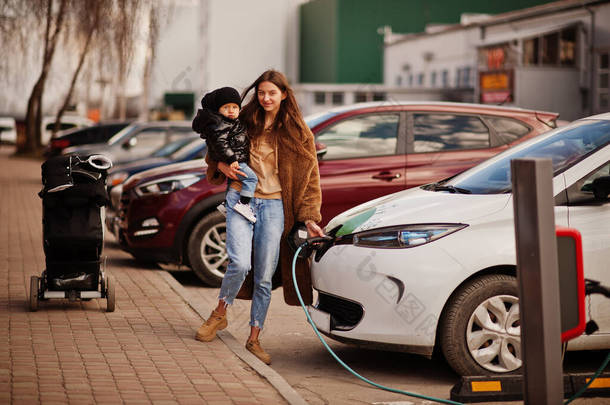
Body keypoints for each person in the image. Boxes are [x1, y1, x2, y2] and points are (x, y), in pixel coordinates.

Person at [195, 70, 325, 365]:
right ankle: (219, 314)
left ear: (284, 96)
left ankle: (254, 338)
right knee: (239, 263)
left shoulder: (298, 131)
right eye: (262, 92)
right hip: (242, 199)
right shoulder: (242, 119)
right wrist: (220, 165)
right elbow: (214, 145)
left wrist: (309, 217)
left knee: (265, 276)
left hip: (276, 206)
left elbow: (312, 178)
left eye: (272, 93)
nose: (266, 98)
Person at [192, 87, 258, 223]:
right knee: (251, 179)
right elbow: (221, 144)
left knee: (233, 181)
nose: (231, 110)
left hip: (236, 160)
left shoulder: (230, 123)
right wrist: (231, 158)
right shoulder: (221, 125)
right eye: (226, 107)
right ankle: (244, 205)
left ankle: (227, 206)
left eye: (234, 107)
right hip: (235, 161)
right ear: (218, 110)